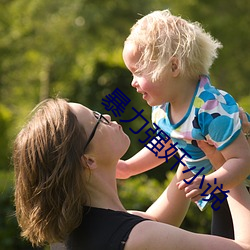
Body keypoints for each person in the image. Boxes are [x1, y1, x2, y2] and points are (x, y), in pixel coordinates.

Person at [13, 98, 250, 250]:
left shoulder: (72, 235)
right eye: (97, 120)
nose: (106, 116)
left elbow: (156, 221)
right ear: (88, 160)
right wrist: (227, 165)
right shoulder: (138, 238)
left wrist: (193, 136)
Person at [120, 9, 250, 239]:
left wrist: (210, 182)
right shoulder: (162, 109)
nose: (133, 82)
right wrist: (130, 167)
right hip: (221, 187)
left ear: (173, 67)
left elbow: (242, 160)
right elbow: (167, 144)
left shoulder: (210, 109)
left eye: (138, 72)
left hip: (239, 185)